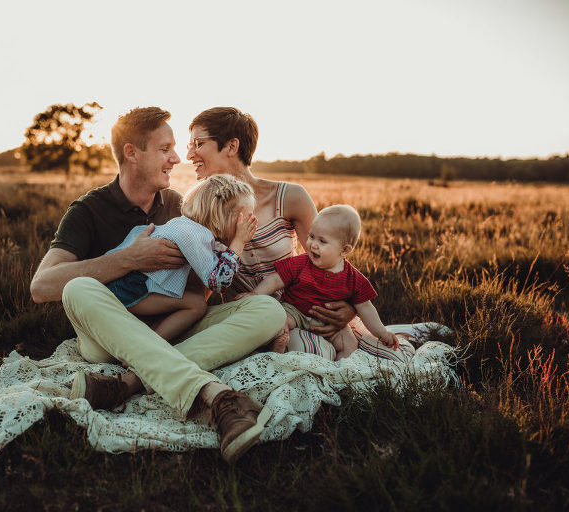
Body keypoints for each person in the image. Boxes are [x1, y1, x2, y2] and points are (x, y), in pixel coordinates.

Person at [30, 107, 285, 464]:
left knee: (268, 310)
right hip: (111, 334)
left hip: (170, 326)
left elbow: (199, 291)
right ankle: (216, 396)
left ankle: (128, 384)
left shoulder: (180, 206)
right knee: (77, 288)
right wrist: (130, 259)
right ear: (132, 152)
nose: (177, 158)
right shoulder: (88, 210)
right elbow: (41, 288)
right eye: (166, 149)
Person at [186, 106, 415, 361]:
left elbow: (329, 260)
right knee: (308, 355)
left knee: (384, 356)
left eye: (198, 143)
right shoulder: (198, 209)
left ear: (231, 146)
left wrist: (349, 309)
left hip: (300, 311)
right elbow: (203, 288)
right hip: (245, 316)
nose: (189, 154)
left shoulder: (289, 197)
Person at [104, 174, 257, 341]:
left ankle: (151, 337)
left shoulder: (191, 228)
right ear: (223, 216)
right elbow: (219, 282)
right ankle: (148, 348)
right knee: (196, 305)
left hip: (128, 286)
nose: (249, 224)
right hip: (129, 288)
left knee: (193, 297)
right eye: (245, 218)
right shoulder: (194, 234)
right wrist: (239, 242)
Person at [238, 205, 400, 360]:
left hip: (329, 322)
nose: (313, 244)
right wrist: (255, 294)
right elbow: (274, 280)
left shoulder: (353, 279)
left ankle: (338, 369)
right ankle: (277, 349)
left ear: (344, 250)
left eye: (322, 241)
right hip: (295, 311)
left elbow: (366, 308)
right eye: (312, 236)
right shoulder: (301, 263)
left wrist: (382, 333)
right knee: (279, 321)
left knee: (350, 343)